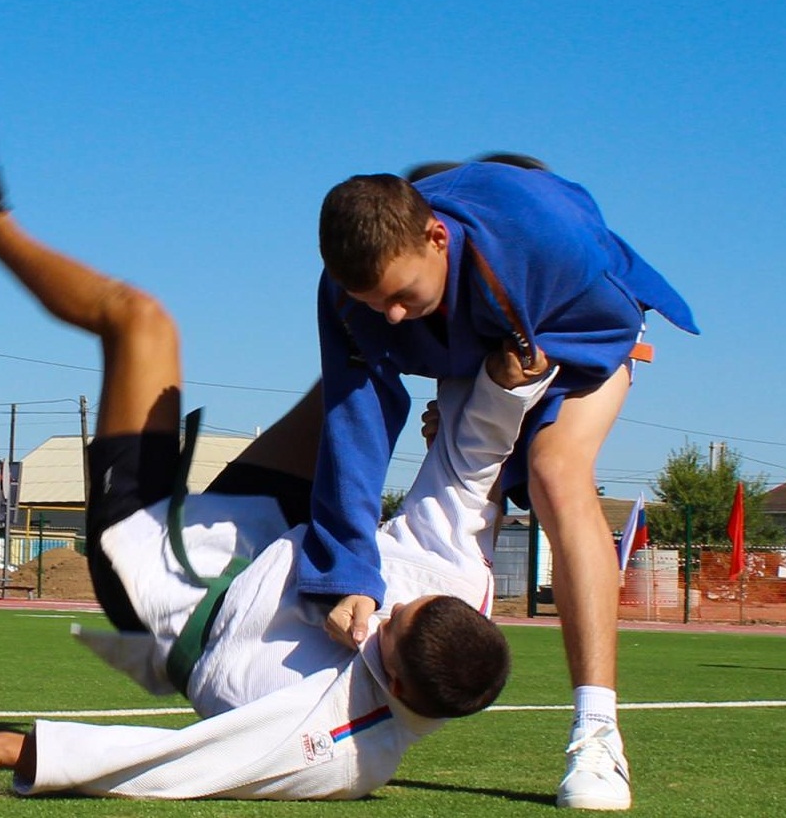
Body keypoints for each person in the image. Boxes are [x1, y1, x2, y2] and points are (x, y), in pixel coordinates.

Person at [0, 105, 545, 799]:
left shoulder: (331, 746)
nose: (385, 608)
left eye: (388, 628)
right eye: (405, 605)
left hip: (170, 583)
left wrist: (14, 748)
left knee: (137, 320)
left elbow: (185, 761)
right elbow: (468, 465)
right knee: (366, 362)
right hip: (270, 532)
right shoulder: (455, 583)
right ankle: (433, 228)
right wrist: (508, 386)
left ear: (397, 683)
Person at [296, 163, 695, 809]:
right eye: (374, 303)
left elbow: (608, 330)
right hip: (485, 350)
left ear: (435, 238)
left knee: (552, 470)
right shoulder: (348, 290)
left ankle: (598, 734)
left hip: (579, 337)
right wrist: (345, 569)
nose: (390, 317)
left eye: (400, 296)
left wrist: (513, 402)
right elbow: (354, 420)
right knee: (447, 451)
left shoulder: (545, 242)